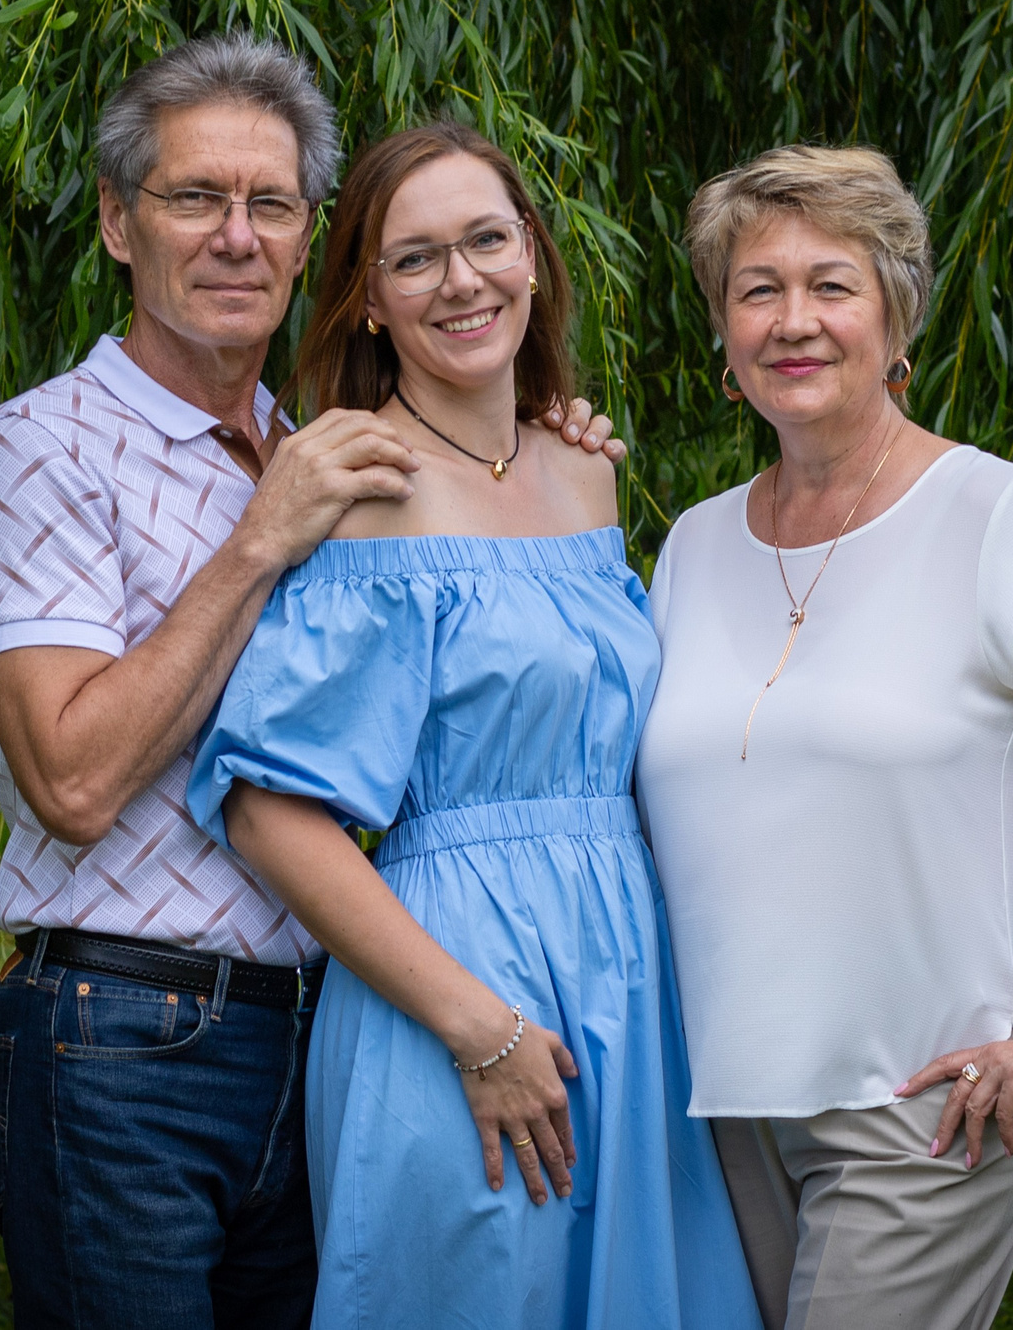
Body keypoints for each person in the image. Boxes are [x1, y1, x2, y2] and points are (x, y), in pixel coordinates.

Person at [0, 38, 623, 1330]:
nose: (236, 235)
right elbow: (71, 780)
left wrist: (540, 458)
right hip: (120, 1034)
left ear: (312, 239)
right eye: (195, 197)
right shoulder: (43, 449)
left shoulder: (325, 456)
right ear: (118, 222)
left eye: (271, 203)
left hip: (323, 1036)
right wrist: (259, 538)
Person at [635, 146, 1013, 1330]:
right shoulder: (694, 546)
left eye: (831, 285)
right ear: (721, 331)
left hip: (923, 1117)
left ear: (895, 316)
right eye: (757, 290)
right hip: (720, 1111)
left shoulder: (991, 516)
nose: (792, 320)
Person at [185, 121, 760, 1330]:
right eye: (415, 259)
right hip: (455, 989)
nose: (462, 281)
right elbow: (269, 812)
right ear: (368, 302)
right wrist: (477, 1028)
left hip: (625, 982)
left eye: (487, 240)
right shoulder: (367, 493)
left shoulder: (585, 470)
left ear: (533, 257)